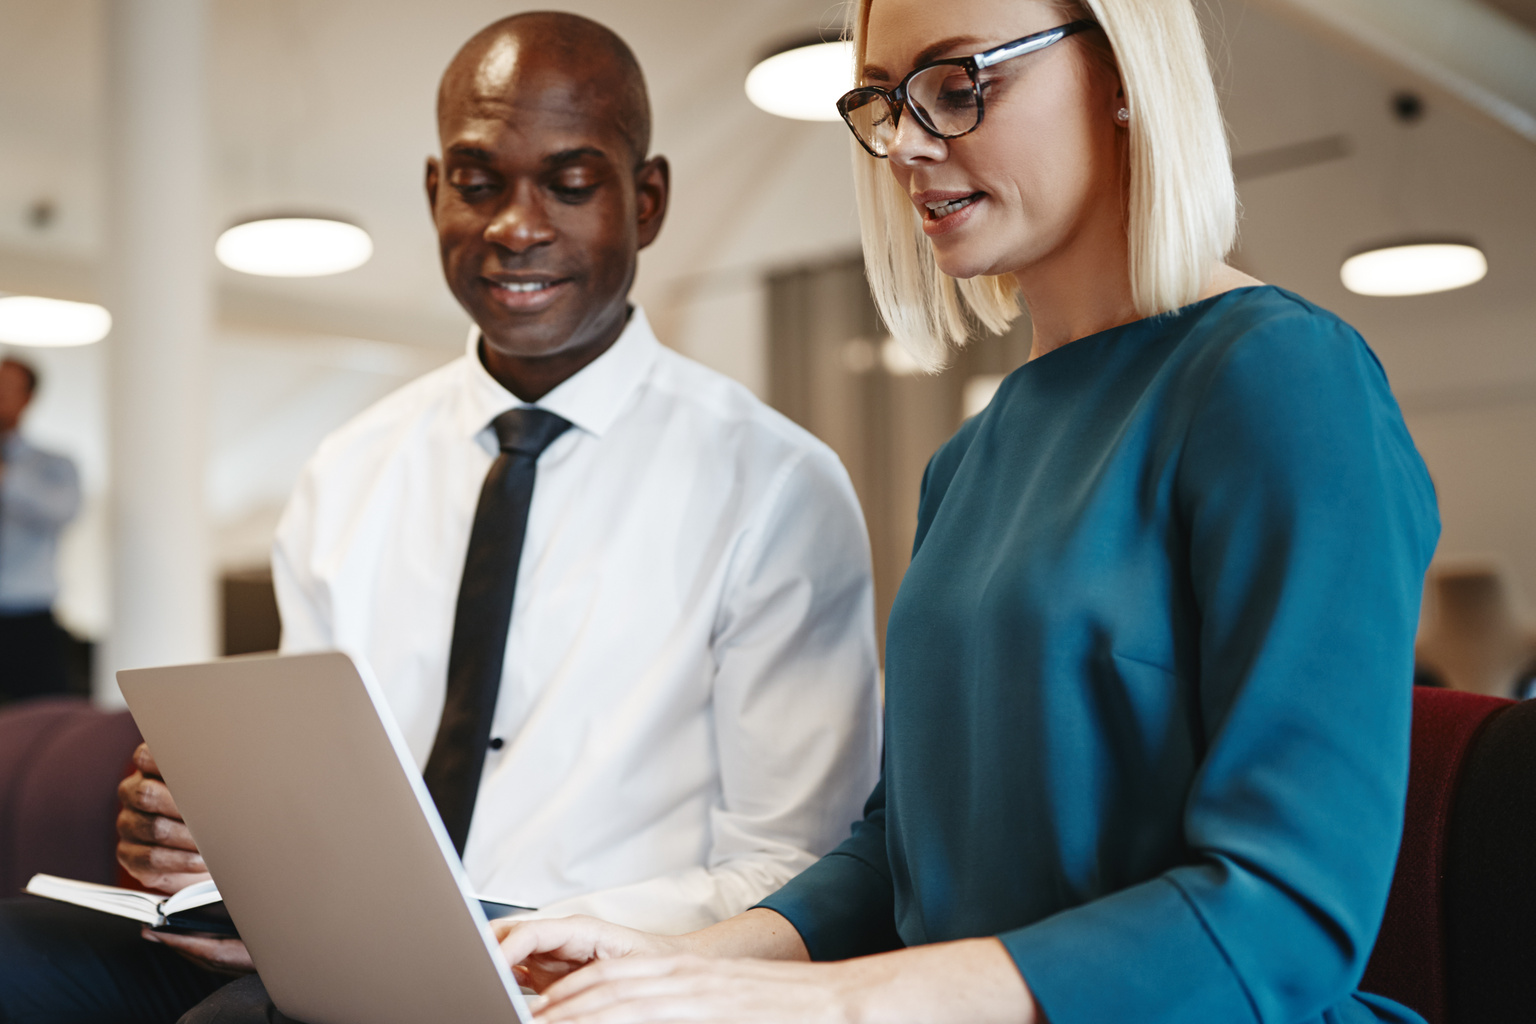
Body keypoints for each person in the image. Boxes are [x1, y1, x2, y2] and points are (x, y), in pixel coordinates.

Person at [493, 2, 1441, 1024]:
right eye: (881, 103)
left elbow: (1283, 917)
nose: (902, 144)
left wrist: (825, 1004)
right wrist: (676, 956)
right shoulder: (970, 459)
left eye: (957, 84)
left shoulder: (1282, 380)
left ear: (1122, 74)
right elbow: (900, 853)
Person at [0, 13, 880, 1024]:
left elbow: (795, 864)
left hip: (595, 951)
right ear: (434, 194)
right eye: (478, 181)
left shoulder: (773, 483)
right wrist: (209, 849)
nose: (516, 224)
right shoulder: (350, 467)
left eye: (571, 181)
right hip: (336, 939)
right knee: (17, 949)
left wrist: (504, 931)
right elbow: (315, 801)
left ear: (648, 199)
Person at [0, 355, 81, 703]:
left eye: (8, 388)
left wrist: (6, 476)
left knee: (42, 723)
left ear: (29, 398)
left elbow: (61, 511)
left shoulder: (54, 465)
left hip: (28, 618)